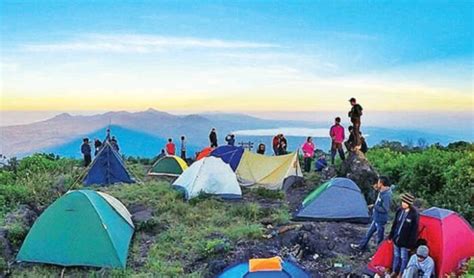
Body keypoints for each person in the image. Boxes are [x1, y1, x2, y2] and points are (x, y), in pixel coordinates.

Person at [351, 176, 392, 251]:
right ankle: (361, 247)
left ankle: (378, 253)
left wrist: (374, 206)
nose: (377, 183)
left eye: (379, 182)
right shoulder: (382, 191)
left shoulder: (387, 195)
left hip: (381, 220)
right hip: (376, 217)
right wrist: (377, 189)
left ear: (382, 183)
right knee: (368, 233)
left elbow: (385, 209)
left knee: (380, 237)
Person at [389, 193, 419, 278]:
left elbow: (414, 231)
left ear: (409, 204)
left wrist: (411, 244)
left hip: (405, 242)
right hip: (396, 238)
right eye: (402, 202)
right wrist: (391, 235)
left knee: (404, 258)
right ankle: (394, 271)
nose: (403, 204)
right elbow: (395, 224)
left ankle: (401, 273)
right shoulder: (399, 210)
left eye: (405, 202)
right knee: (396, 256)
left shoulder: (414, 214)